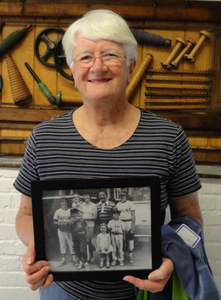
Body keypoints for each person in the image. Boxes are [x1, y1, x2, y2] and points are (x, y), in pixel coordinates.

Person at [14, 9, 203, 300]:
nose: (97, 66)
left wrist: (174, 258)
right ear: (73, 70)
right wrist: (36, 248)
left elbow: (190, 219)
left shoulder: (169, 137)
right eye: (85, 57)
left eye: (111, 55)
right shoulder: (44, 138)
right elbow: (26, 214)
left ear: (131, 66)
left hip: (145, 294)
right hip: (63, 292)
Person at [53, 198, 75, 267]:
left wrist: (69, 222)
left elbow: (74, 220)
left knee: (71, 243)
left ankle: (74, 258)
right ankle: (63, 259)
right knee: (62, 244)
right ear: (60, 204)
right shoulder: (57, 211)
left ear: (67, 203)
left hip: (69, 229)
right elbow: (55, 221)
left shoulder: (70, 210)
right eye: (62, 203)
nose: (64, 204)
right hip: (61, 229)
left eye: (65, 202)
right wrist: (60, 223)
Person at [116, 189, 136, 263]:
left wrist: (133, 225)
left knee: (130, 239)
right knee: (122, 239)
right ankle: (123, 255)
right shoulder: (118, 204)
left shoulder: (130, 203)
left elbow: (133, 215)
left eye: (123, 195)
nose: (122, 197)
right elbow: (116, 216)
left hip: (129, 221)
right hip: (121, 222)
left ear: (126, 196)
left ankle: (130, 256)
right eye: (120, 195)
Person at [81, 192, 97, 261]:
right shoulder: (81, 205)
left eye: (87, 196)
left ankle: (91, 256)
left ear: (90, 197)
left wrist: (86, 219)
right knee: (83, 241)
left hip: (90, 224)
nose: (86, 197)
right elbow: (79, 215)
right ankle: (85, 257)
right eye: (85, 196)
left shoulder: (93, 205)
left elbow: (95, 217)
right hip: (82, 225)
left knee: (89, 241)